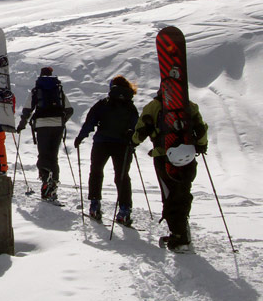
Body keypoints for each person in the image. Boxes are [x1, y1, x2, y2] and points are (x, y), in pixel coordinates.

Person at [130, 89, 209, 251]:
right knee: (183, 192)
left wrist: (133, 141)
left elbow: (138, 134)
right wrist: (201, 145)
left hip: (164, 156)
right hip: (188, 157)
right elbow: (201, 129)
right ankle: (182, 228)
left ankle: (179, 237)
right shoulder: (190, 106)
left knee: (170, 195)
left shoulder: (153, 106)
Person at [75, 75, 139, 224]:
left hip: (101, 143)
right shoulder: (130, 106)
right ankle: (124, 210)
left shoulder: (104, 103)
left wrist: (81, 137)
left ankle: (95, 205)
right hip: (122, 145)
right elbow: (136, 126)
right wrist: (133, 143)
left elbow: (90, 121)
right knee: (122, 177)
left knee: (96, 172)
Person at [16, 67, 73, 200]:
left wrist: (21, 125)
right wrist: (62, 120)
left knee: (43, 153)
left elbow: (27, 109)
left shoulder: (36, 90)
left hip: (42, 125)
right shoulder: (58, 89)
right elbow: (69, 109)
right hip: (57, 125)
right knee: (54, 155)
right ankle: (53, 183)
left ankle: (46, 180)